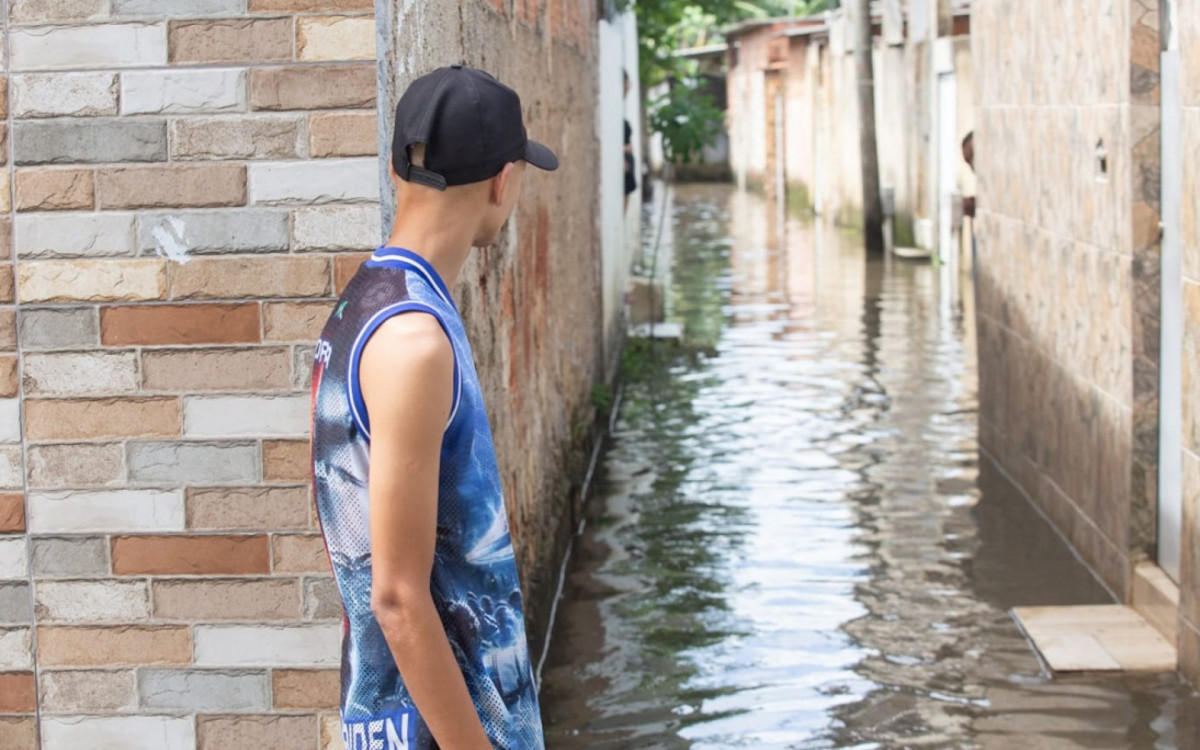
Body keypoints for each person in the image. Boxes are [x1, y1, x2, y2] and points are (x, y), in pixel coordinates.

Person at [310, 64, 557, 750]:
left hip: (396, 714)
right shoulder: (414, 342)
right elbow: (395, 596)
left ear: (398, 166)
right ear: (504, 180)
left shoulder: (367, 300)